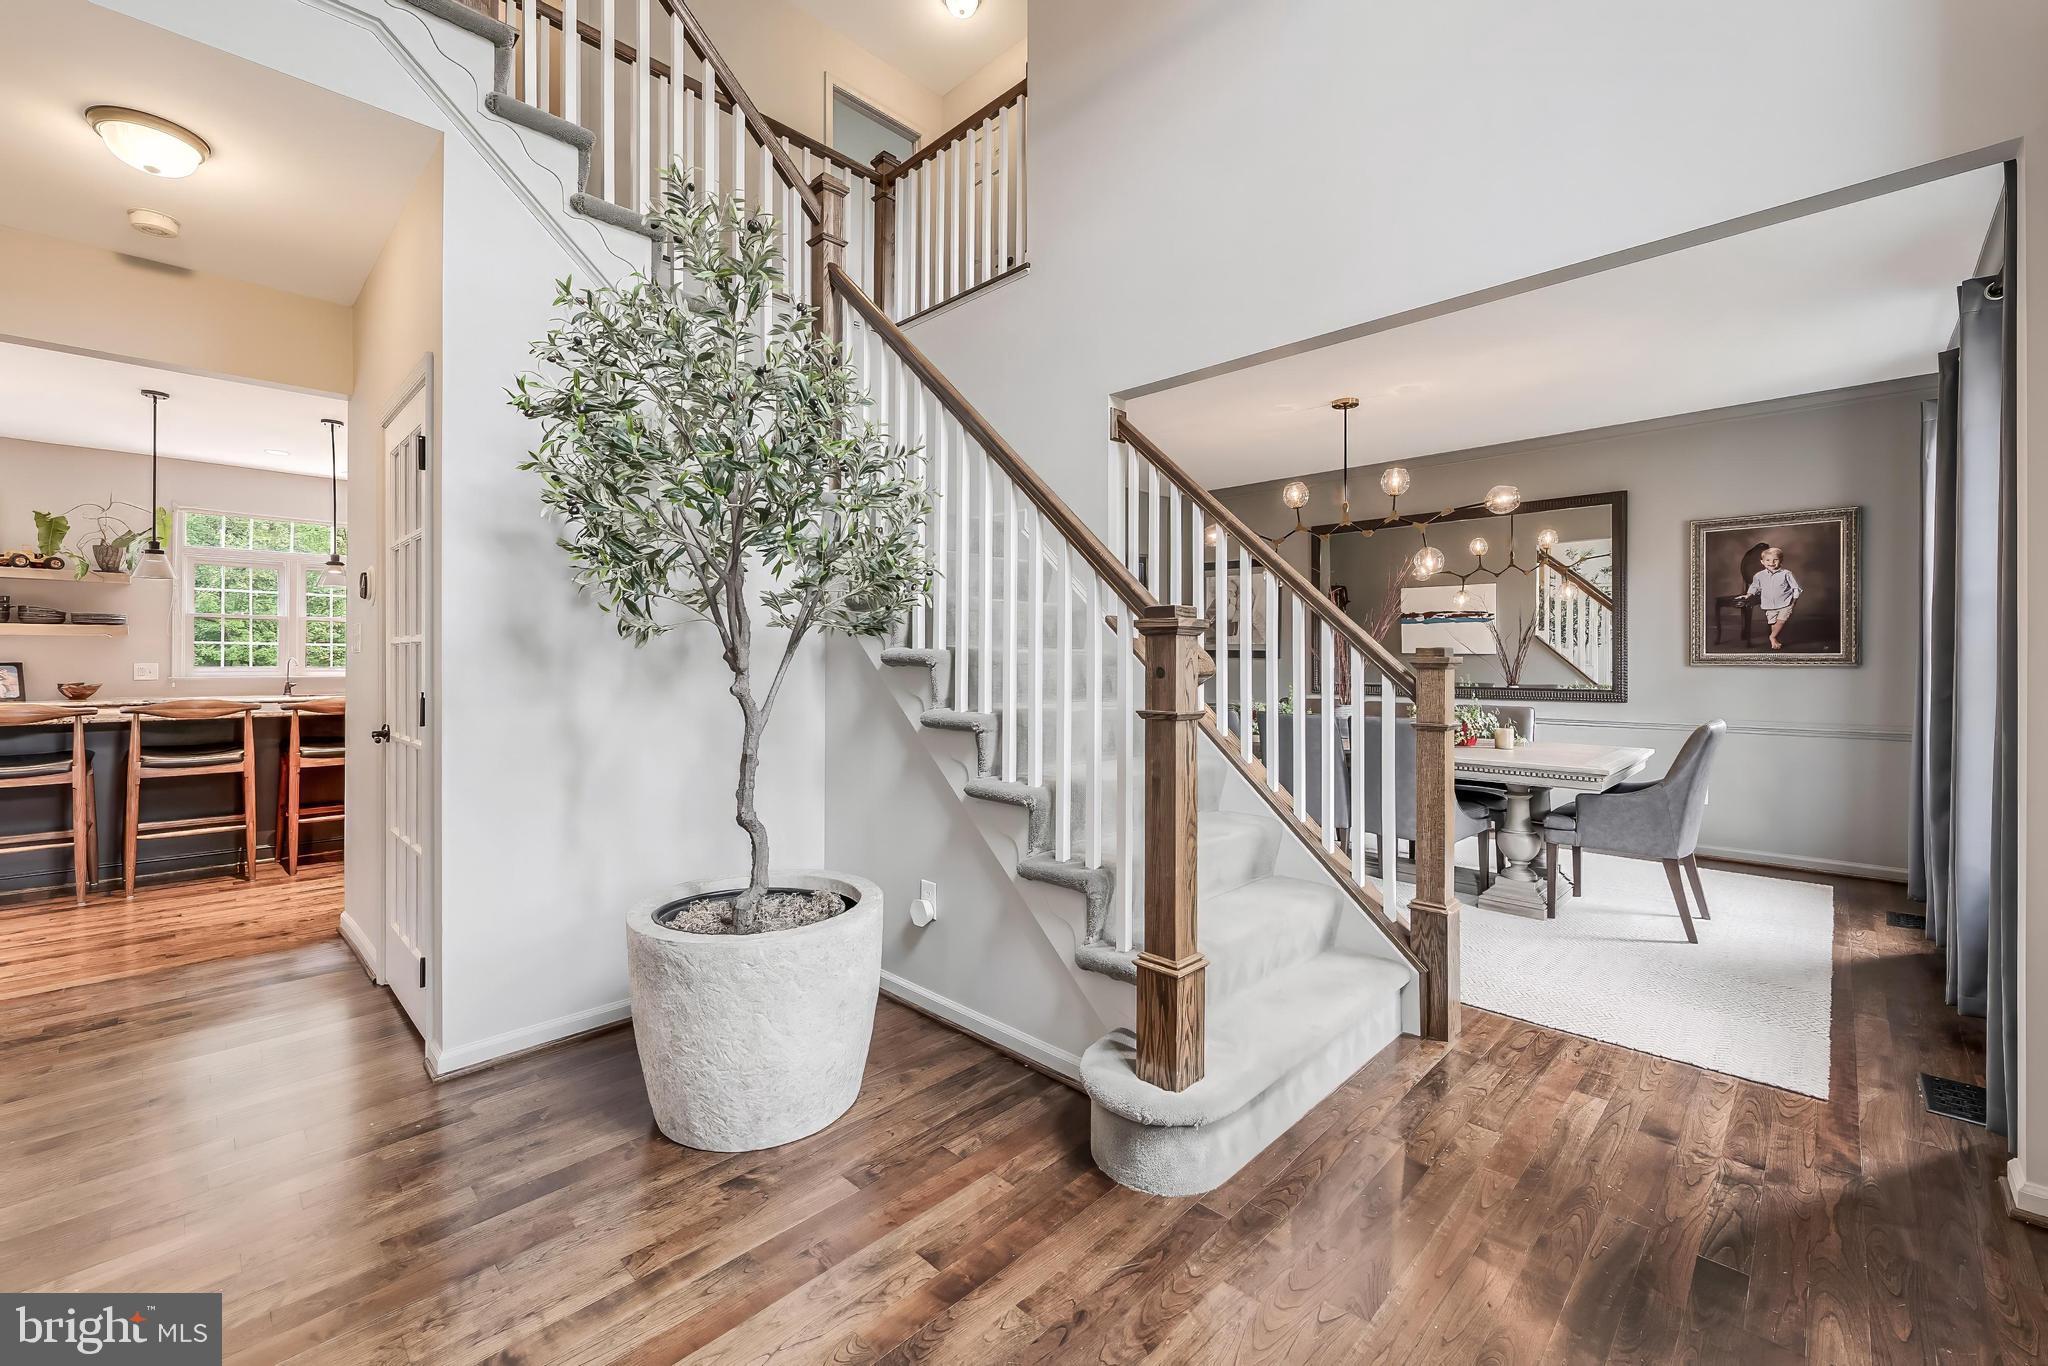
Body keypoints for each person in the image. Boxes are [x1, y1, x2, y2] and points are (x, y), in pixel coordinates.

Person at [1737, 545, 1802, 650]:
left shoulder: (1786, 574)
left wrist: (1794, 601)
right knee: (1773, 622)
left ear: (1781, 560)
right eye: (1768, 560)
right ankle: (1774, 639)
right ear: (1762, 562)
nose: (1771, 562)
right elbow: (1754, 587)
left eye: (1775, 560)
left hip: (1785, 602)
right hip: (1769, 604)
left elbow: (1795, 588)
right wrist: (1748, 594)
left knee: (1781, 620)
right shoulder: (1759, 576)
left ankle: (1772, 636)